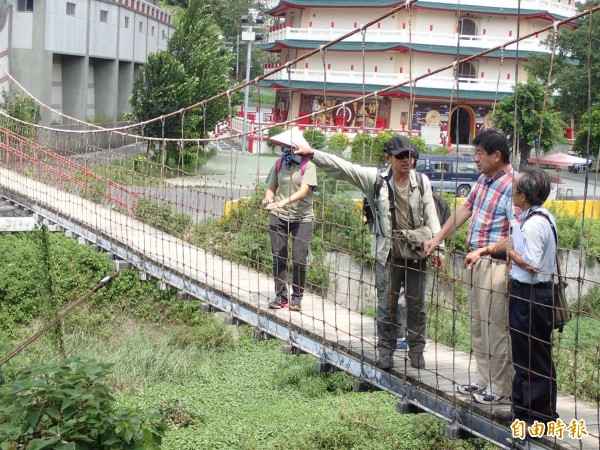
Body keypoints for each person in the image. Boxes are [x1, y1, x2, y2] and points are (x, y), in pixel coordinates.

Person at [295, 135, 444, 370]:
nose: (407, 160)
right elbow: (344, 169)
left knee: (417, 305)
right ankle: (386, 350)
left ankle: (416, 351)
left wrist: (439, 249)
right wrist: (313, 154)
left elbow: (432, 217)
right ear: (388, 158)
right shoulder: (377, 180)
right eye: (401, 156)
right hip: (388, 252)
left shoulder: (422, 182)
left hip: (417, 251)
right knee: (387, 304)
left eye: (411, 155)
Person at [425, 128, 516, 405]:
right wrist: (438, 237)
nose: (475, 159)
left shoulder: (513, 186)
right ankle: (483, 381)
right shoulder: (484, 181)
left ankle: (501, 388)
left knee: (496, 327)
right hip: (475, 261)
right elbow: (465, 209)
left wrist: (494, 255)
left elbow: (518, 233)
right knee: (478, 324)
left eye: (479, 154)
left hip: (496, 265)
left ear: (496, 156)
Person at [467, 170, 558, 425]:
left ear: (524, 196)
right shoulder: (539, 217)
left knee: (533, 355)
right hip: (530, 293)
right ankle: (522, 408)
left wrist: (512, 254)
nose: (512, 194)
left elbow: (532, 263)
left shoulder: (534, 224)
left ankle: (539, 417)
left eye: (515, 190)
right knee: (522, 351)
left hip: (531, 294)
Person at [263, 129, 318, 312]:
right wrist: (269, 199)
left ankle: (297, 298)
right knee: (278, 256)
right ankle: (281, 297)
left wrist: (282, 202)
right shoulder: (279, 164)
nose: (285, 149)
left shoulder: (307, 165)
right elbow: (271, 187)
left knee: (299, 259)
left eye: (289, 146)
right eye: (283, 146)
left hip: (302, 218)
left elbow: (304, 191)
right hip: (278, 216)